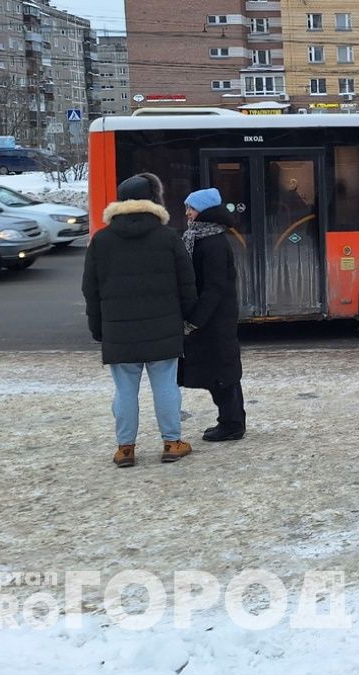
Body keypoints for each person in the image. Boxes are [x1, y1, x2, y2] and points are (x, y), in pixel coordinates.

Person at [83, 173, 197, 468]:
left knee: (124, 391)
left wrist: (98, 329)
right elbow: (187, 283)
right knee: (166, 387)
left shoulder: (102, 240)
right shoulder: (168, 237)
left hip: (119, 332)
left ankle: (125, 449)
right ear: (152, 201)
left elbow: (91, 290)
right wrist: (189, 317)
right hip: (164, 329)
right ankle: (172, 443)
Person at [179, 188, 246, 442]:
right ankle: (232, 420)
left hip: (215, 319)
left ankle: (231, 424)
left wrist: (195, 320)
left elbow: (214, 287)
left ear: (205, 211)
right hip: (214, 317)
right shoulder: (203, 237)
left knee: (222, 372)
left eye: (191, 208)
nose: (187, 213)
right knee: (221, 370)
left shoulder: (212, 242)